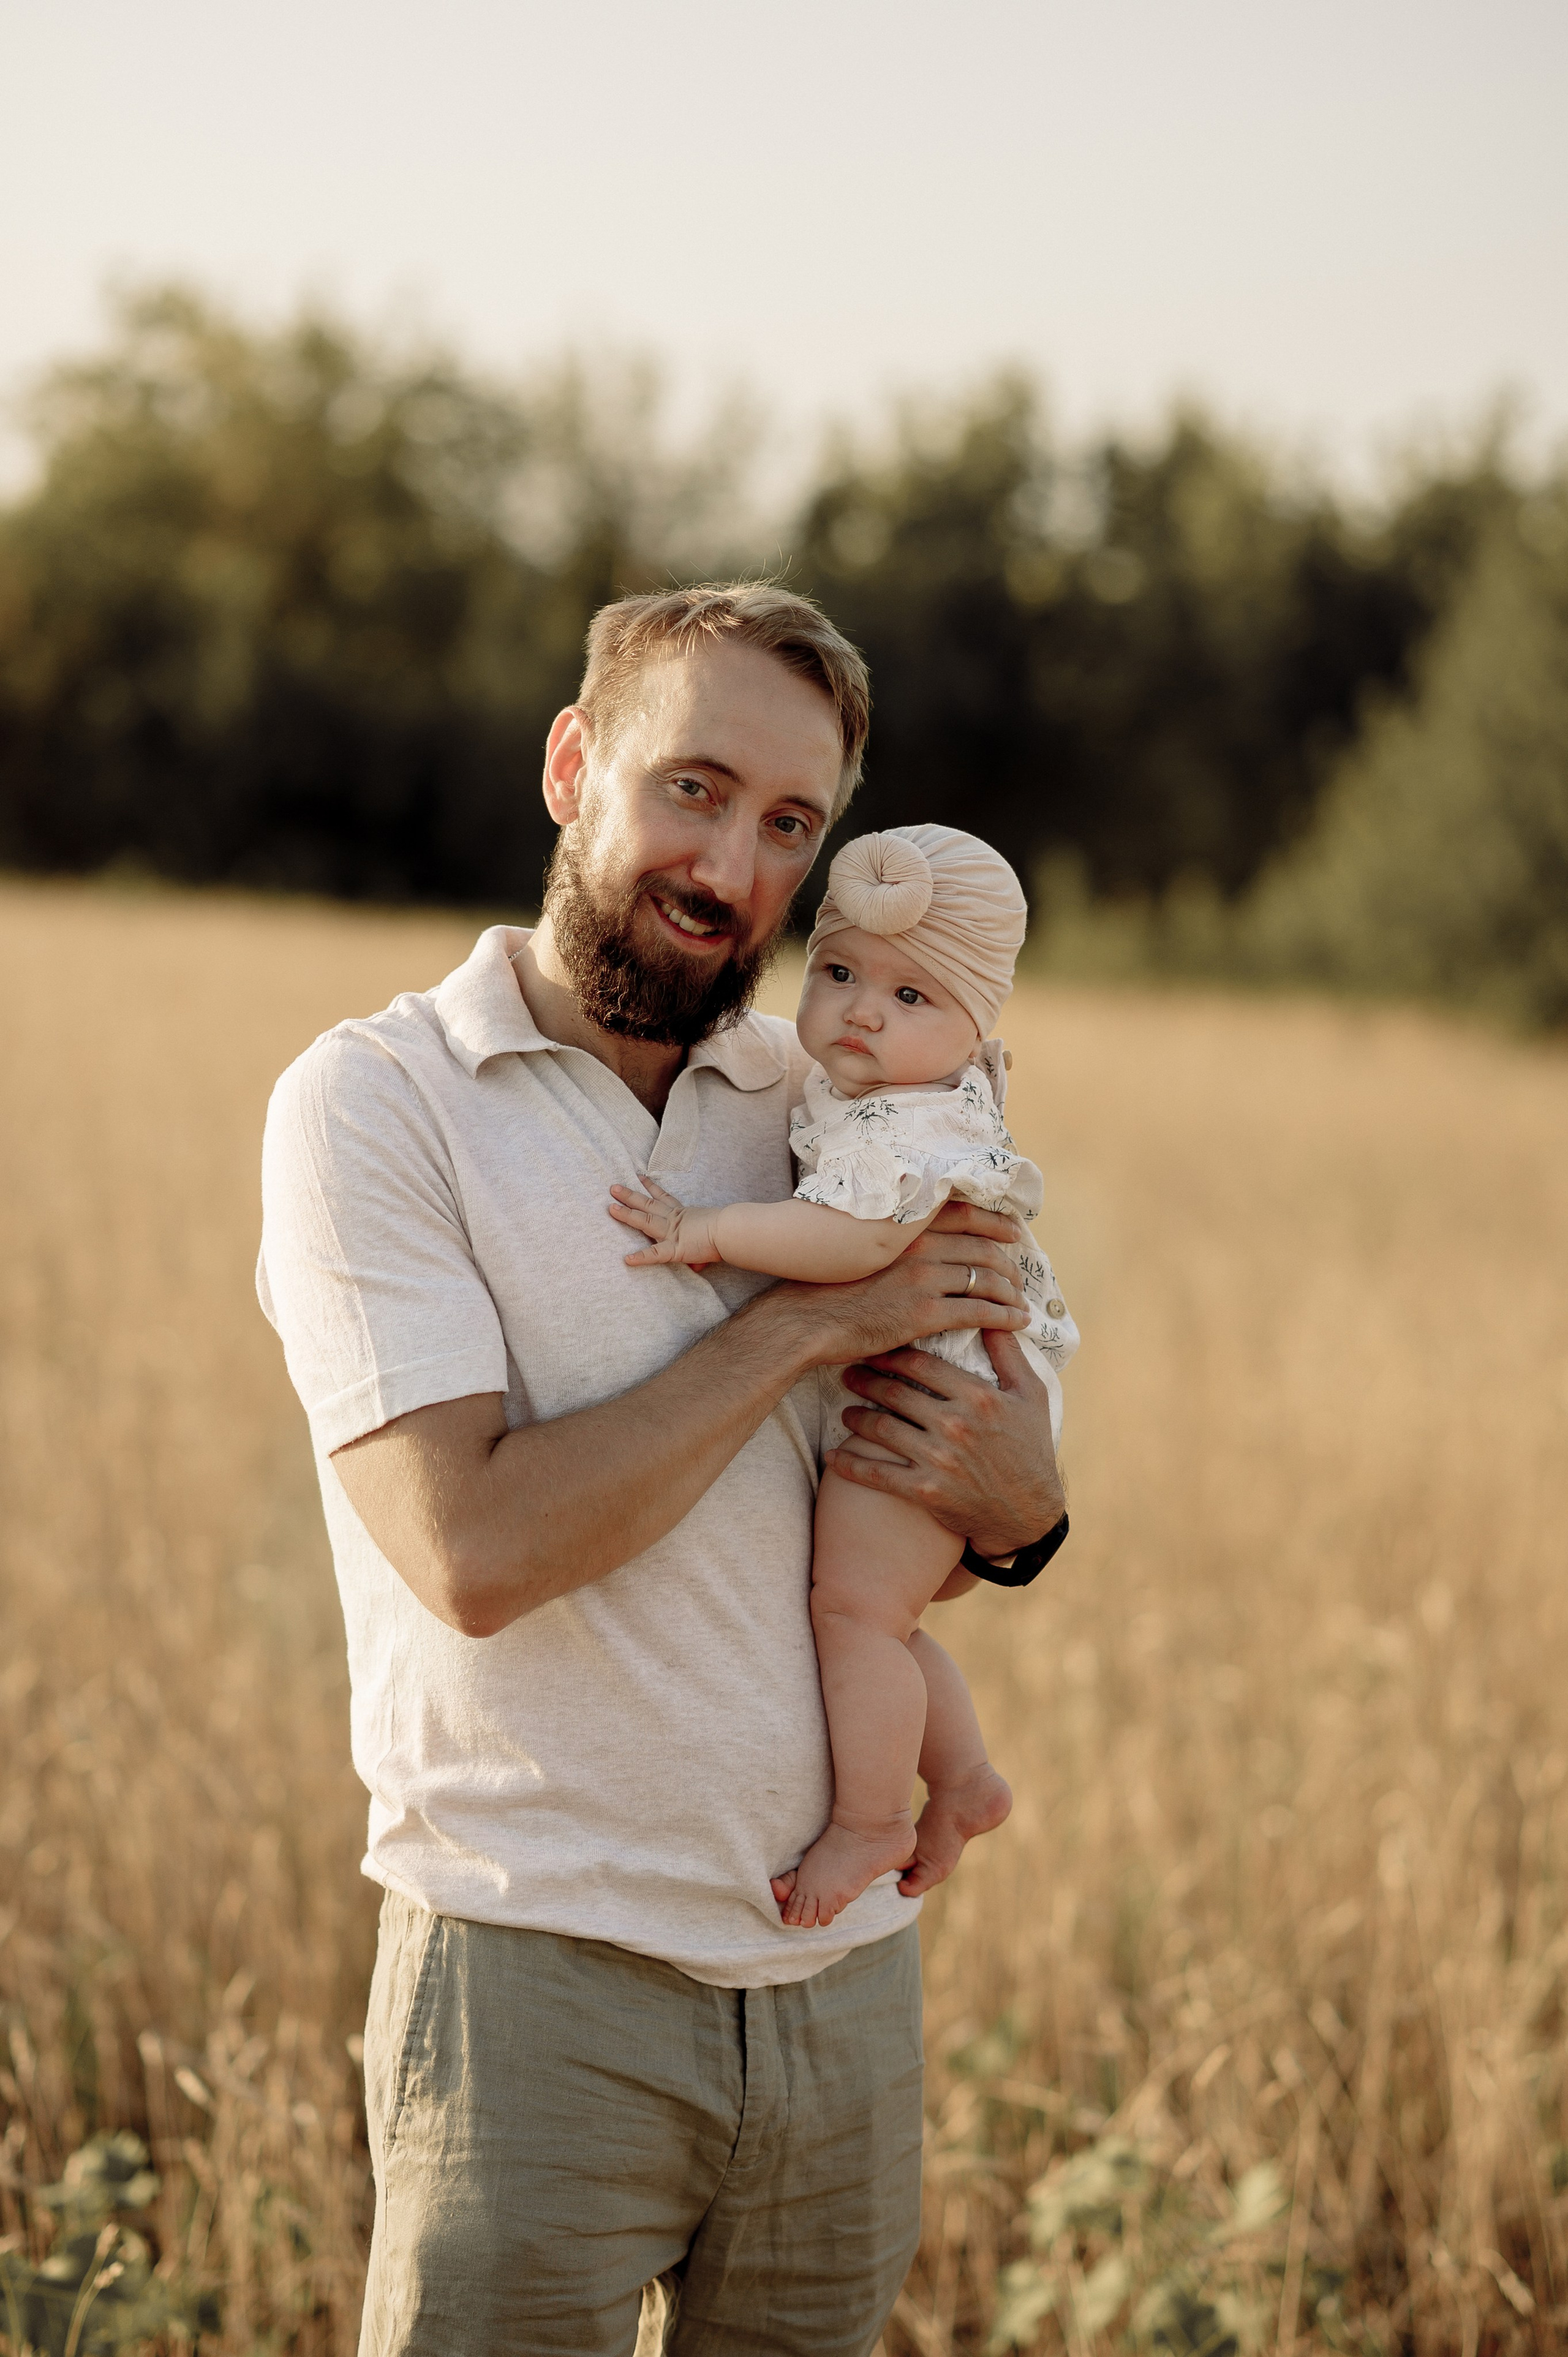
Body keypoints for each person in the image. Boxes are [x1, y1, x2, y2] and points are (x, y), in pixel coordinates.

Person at [257, 583, 1069, 2357]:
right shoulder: (378, 1103)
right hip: (534, 1986)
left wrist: (1026, 1513)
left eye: (791, 825)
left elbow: (985, 1463)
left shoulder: (825, 1095)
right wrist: (794, 1329)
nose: (734, 868)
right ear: (573, 764)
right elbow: (470, 1551)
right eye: (693, 790)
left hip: (840, 1992)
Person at [609, 823, 1078, 1933]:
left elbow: (855, 1247)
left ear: (977, 1032)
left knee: (855, 1613)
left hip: (939, 1389)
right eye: (839, 973)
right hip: (944, 1381)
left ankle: (874, 1819)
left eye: (912, 998)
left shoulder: (910, 1130)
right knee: (890, 1622)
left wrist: (710, 1229)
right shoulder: (881, 1092)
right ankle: (963, 1779)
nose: (862, 1011)